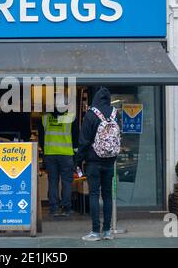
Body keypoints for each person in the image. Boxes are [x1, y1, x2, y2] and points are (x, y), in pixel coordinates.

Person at [74, 87, 120, 241]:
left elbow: (84, 141)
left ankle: (95, 231)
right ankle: (107, 231)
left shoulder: (91, 114)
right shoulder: (115, 113)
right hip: (110, 161)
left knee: (94, 194)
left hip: (94, 161)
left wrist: (78, 161)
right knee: (107, 195)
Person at [39, 108, 78, 217]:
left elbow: (41, 139)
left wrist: (45, 150)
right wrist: (76, 155)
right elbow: (75, 138)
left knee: (52, 182)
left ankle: (54, 208)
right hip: (66, 154)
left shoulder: (45, 118)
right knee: (66, 182)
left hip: (50, 154)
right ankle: (66, 208)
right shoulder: (70, 117)